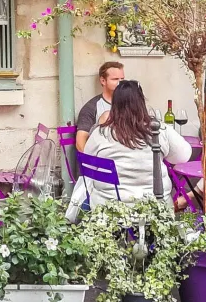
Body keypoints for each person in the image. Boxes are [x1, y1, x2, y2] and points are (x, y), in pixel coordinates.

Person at [66, 80, 191, 220]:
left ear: (114, 104)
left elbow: (88, 162)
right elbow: (183, 156)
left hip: (109, 209)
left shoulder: (101, 133)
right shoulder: (159, 129)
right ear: (141, 103)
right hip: (154, 209)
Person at [75, 61, 124, 152]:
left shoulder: (130, 104)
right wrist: (94, 162)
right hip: (103, 160)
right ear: (103, 80)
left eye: (122, 79)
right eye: (115, 79)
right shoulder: (92, 107)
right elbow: (80, 142)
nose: (120, 83)